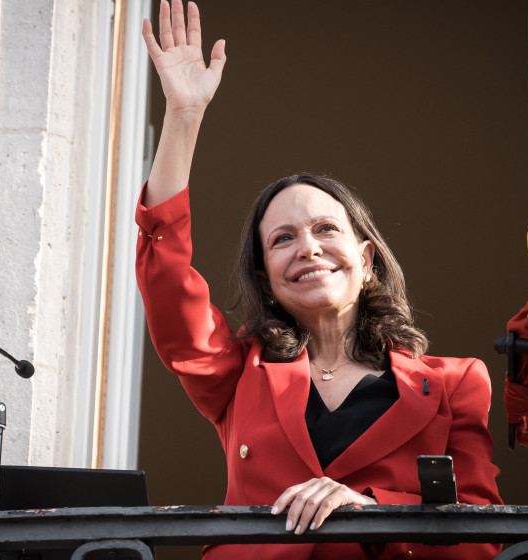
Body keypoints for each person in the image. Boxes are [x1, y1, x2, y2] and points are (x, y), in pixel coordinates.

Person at [135, 1, 502, 558]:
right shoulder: (238, 374)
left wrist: (373, 509)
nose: (307, 247)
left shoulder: (455, 385)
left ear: (367, 259)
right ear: (268, 277)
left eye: (325, 229)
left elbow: (482, 532)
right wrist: (184, 116)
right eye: (282, 239)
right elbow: (166, 277)